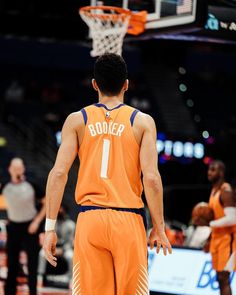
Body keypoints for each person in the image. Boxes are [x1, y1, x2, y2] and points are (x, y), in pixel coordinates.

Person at [43, 53, 172, 294]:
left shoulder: (76, 120)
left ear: (94, 84)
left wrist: (50, 228)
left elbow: (59, 173)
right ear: (126, 84)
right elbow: (152, 178)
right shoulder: (142, 122)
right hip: (128, 219)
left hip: (90, 219)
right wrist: (159, 227)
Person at [2, 157, 46, 295]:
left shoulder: (31, 185)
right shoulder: (5, 186)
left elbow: (47, 203)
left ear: (23, 169)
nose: (17, 170)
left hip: (30, 226)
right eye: (15, 168)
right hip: (14, 226)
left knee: (32, 264)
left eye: (19, 168)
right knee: (12, 263)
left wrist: (36, 222)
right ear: (10, 169)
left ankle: (33, 292)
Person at [207, 160, 236, 295]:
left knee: (224, 278)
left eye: (213, 169)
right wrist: (208, 239)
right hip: (217, 238)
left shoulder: (226, 190)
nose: (209, 172)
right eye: (209, 169)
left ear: (221, 172)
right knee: (220, 278)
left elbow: (232, 218)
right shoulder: (214, 191)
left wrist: (210, 224)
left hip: (229, 240)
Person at [38, 204, 75, 281]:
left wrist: (62, 250)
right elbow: (46, 238)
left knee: (70, 256)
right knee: (42, 254)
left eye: (61, 209)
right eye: (57, 209)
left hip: (64, 248)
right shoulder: (49, 224)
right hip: (51, 247)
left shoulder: (70, 224)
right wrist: (50, 248)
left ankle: (71, 277)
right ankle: (40, 275)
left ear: (65, 210)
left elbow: (70, 241)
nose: (59, 211)